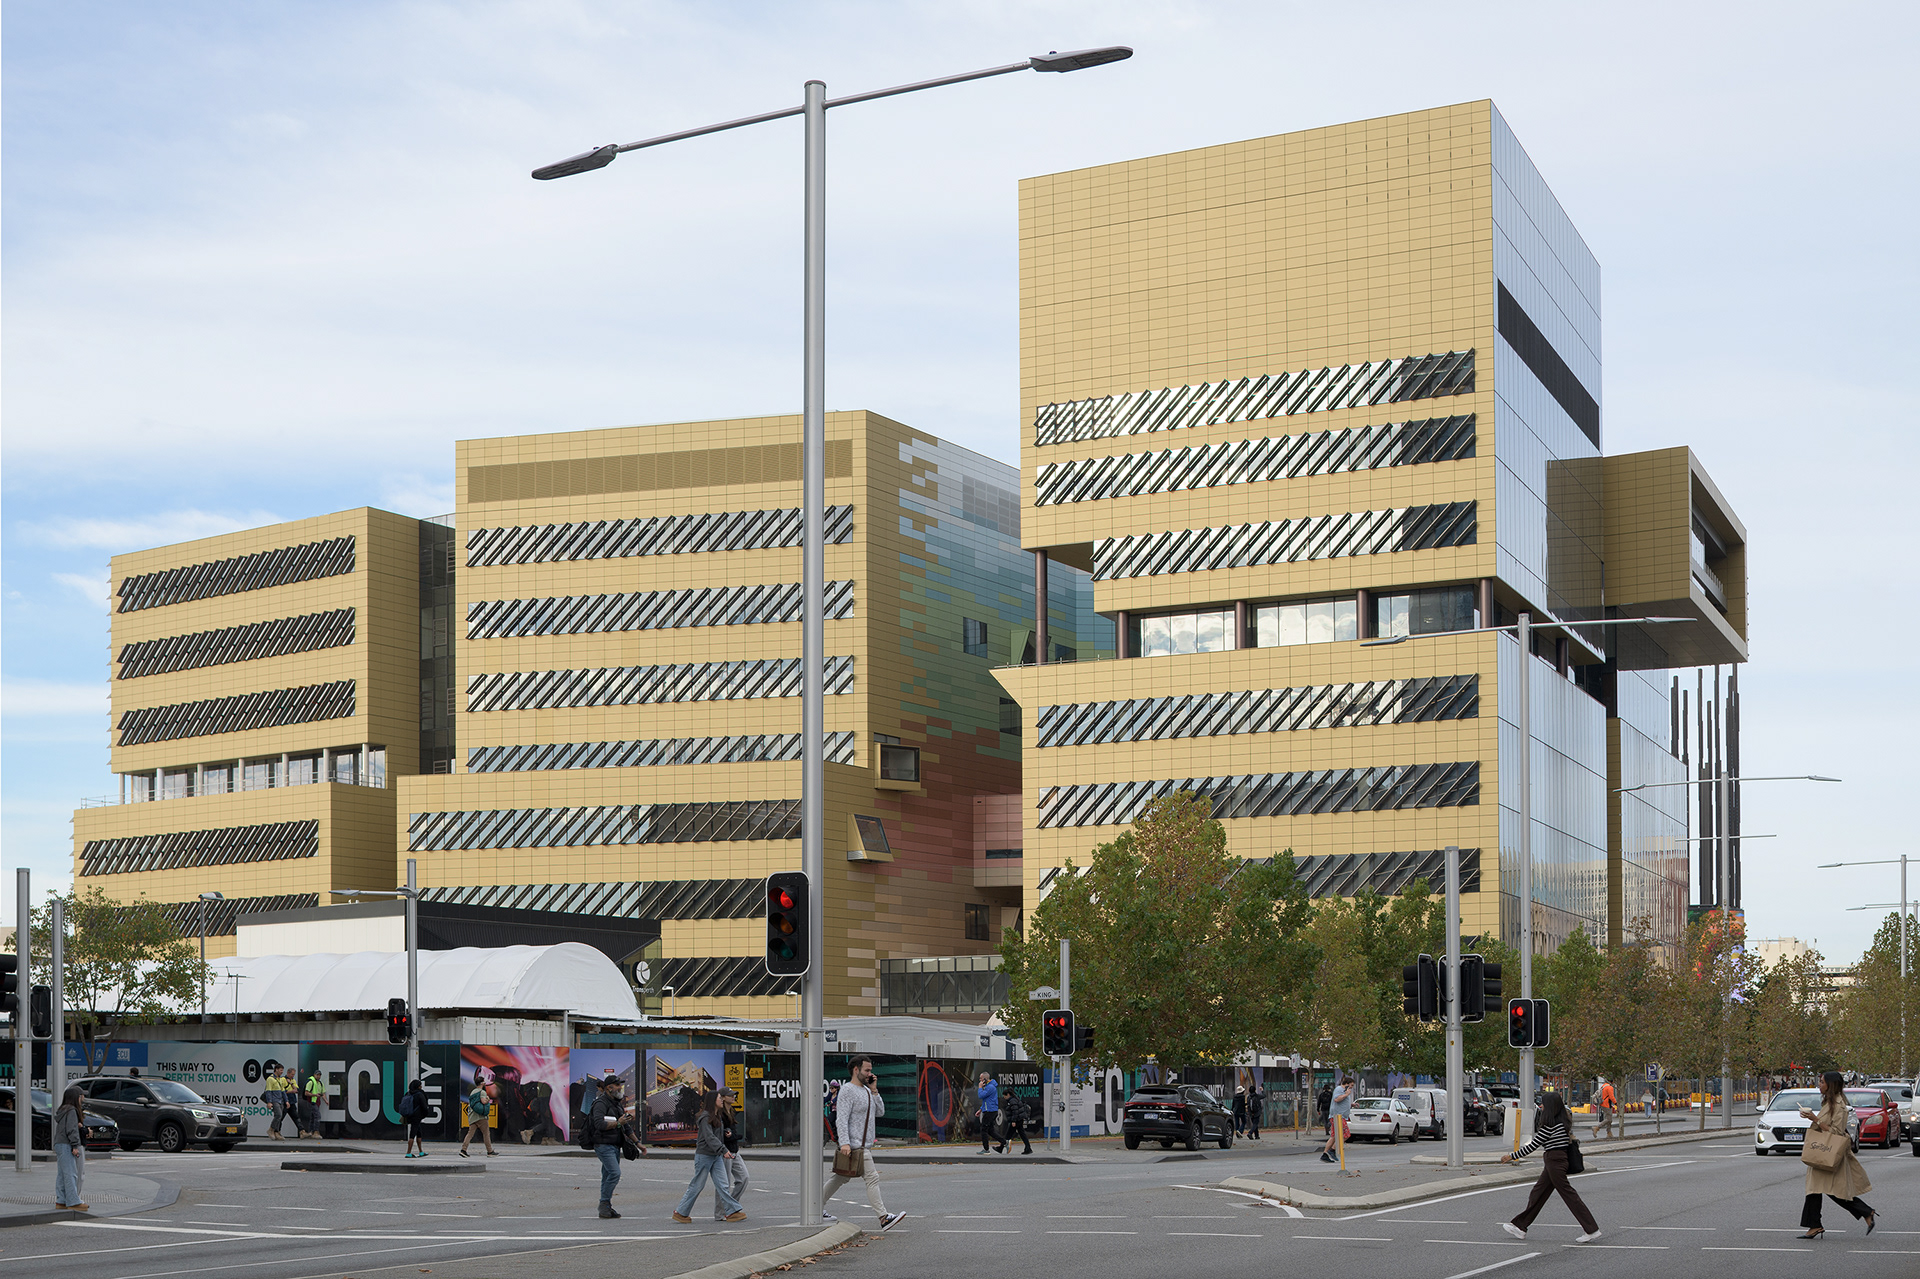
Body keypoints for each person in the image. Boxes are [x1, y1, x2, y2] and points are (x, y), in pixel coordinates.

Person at [1501, 1091, 1601, 1243]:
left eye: (1543, 1104)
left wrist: (1512, 1156)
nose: (1541, 1106)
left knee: (1569, 1195)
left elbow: (1533, 1145)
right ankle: (1520, 1226)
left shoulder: (1550, 1126)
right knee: (1538, 1193)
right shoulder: (1563, 1122)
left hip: (1555, 1161)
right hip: (1555, 1161)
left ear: (1550, 1107)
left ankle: (1591, 1229)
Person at [820, 1056, 905, 1231]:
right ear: (856, 1070)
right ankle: (883, 1218)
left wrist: (874, 1091)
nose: (870, 1074)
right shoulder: (847, 1090)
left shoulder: (867, 1090)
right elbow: (841, 1119)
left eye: (870, 1070)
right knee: (872, 1178)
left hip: (863, 1145)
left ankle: (815, 1207)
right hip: (855, 1145)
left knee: (840, 1178)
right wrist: (845, 1143)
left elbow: (880, 1111)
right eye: (867, 1070)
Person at [1797, 1070, 1877, 1240]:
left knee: (1833, 1191)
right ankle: (1815, 1225)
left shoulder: (1840, 1106)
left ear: (1831, 1085)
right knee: (1815, 1189)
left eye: (1822, 1082)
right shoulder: (1829, 1102)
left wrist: (1815, 1119)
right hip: (1822, 1152)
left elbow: (1837, 1132)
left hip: (1829, 1152)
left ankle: (1865, 1211)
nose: (1819, 1085)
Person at [673, 1089, 746, 1223]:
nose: (721, 1100)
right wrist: (723, 1150)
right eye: (719, 1098)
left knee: (723, 1185)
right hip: (704, 1156)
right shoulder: (705, 1117)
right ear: (713, 1101)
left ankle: (731, 1212)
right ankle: (681, 1212)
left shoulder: (717, 1116)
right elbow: (709, 1137)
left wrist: (726, 1133)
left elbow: (716, 1134)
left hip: (716, 1156)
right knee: (697, 1185)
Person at [584, 1074, 633, 1218]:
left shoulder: (616, 1104)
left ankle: (606, 1206)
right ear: (609, 1088)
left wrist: (638, 1143)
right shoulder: (600, 1103)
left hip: (615, 1145)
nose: (620, 1087)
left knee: (607, 1175)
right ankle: (603, 1203)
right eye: (617, 1085)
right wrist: (618, 1123)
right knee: (614, 1173)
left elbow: (626, 1127)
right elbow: (599, 1124)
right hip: (603, 1144)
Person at [714, 1088, 750, 1220]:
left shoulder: (731, 1111)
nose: (733, 1097)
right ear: (723, 1097)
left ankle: (731, 1207)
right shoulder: (720, 1113)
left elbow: (732, 1133)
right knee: (724, 1183)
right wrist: (730, 1135)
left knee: (744, 1178)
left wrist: (733, 1136)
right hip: (725, 1151)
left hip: (734, 1150)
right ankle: (721, 1213)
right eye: (730, 1095)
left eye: (734, 1095)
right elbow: (719, 1134)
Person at [53, 1086, 88, 1211]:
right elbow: (71, 1129)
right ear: (76, 1097)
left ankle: (61, 1200)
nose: (82, 1099)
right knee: (71, 1173)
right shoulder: (72, 1110)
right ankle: (73, 1201)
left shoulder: (63, 1110)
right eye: (81, 1096)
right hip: (66, 1144)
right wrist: (75, 1145)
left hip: (59, 1143)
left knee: (62, 1174)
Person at [460, 1071, 496, 1158]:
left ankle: (463, 1150)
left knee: (470, 1134)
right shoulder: (482, 1092)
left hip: (472, 1116)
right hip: (481, 1117)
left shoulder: (473, 1092)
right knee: (486, 1134)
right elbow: (483, 1101)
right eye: (484, 1081)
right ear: (482, 1083)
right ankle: (490, 1151)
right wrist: (488, 1099)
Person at [1319, 1079, 1353, 1163]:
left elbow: (1342, 1101)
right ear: (1347, 1084)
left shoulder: (1344, 1091)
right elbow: (1337, 1099)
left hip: (1340, 1116)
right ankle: (1332, 1149)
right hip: (1338, 1116)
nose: (1352, 1087)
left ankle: (1325, 1154)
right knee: (1346, 1134)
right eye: (1351, 1085)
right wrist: (1346, 1094)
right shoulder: (1339, 1089)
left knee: (1334, 1136)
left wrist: (1351, 1104)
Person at [401, 1078, 429, 1158]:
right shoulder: (420, 1094)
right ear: (418, 1086)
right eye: (420, 1085)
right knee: (412, 1134)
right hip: (417, 1116)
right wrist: (425, 1114)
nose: (421, 1086)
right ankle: (408, 1152)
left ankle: (421, 1151)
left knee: (419, 1133)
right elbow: (424, 1106)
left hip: (409, 1115)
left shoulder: (408, 1093)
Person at [1003, 1087, 1034, 1155]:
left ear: (1008, 1095)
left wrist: (1013, 1121)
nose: (1004, 1098)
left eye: (1005, 1096)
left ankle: (1001, 1147)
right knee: (1022, 1134)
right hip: (1019, 1119)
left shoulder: (1012, 1101)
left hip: (1016, 1120)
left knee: (1008, 1135)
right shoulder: (1015, 1099)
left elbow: (1015, 1111)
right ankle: (1028, 1148)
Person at [977, 1072, 1002, 1153]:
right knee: (990, 1130)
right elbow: (987, 1100)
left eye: (981, 1078)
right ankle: (1004, 1142)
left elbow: (981, 1096)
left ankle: (986, 1149)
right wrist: (981, 1109)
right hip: (990, 1110)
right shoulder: (989, 1086)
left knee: (984, 1130)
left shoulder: (990, 1087)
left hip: (989, 1111)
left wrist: (980, 1087)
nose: (979, 1080)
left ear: (985, 1079)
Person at [302, 1069, 327, 1139]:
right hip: (312, 1102)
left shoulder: (320, 1083)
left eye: (319, 1075)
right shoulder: (310, 1082)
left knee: (313, 1117)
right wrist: (314, 1095)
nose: (318, 1076)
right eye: (317, 1075)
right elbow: (306, 1093)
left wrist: (326, 1100)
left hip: (317, 1102)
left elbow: (323, 1093)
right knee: (317, 1116)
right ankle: (316, 1131)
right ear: (314, 1075)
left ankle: (310, 1132)